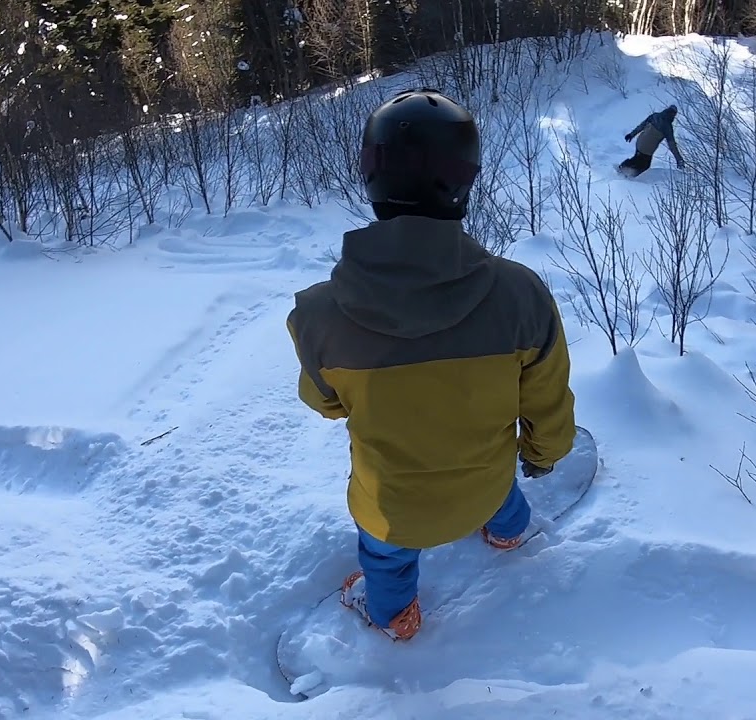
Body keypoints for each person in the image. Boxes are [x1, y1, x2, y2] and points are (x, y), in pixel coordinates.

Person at [285, 88, 578, 642]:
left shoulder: (317, 315)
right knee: (503, 490)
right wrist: (543, 456)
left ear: (372, 175)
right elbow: (547, 399)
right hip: (488, 487)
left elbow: (324, 403)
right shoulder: (521, 294)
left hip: (392, 509)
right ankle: (510, 534)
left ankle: (395, 614)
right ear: (465, 180)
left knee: (385, 556)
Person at [619, 104, 685, 177]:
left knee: (637, 159)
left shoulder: (655, 116)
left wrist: (631, 134)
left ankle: (625, 170)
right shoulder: (668, 128)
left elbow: (642, 125)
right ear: (673, 115)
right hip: (648, 149)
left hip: (640, 142)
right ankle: (628, 174)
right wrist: (679, 160)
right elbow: (672, 145)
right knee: (644, 165)